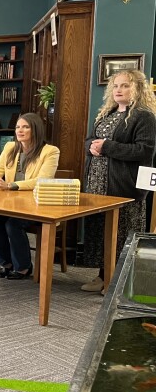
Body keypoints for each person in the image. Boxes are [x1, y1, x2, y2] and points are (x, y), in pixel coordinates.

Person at [79, 70, 156, 292]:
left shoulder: (143, 116)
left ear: (137, 89)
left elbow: (145, 150)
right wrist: (91, 147)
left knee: (121, 234)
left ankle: (118, 282)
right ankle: (103, 276)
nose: (119, 90)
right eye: (115, 86)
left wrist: (106, 147)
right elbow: (90, 140)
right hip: (96, 185)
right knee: (100, 231)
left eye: (125, 86)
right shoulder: (106, 114)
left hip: (123, 187)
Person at [0, 113, 59, 280]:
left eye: (25, 127)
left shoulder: (50, 151)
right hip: (11, 204)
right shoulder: (10, 147)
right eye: (18, 127)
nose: (20, 130)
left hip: (36, 205)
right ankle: (6, 263)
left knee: (12, 224)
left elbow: (42, 181)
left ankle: (23, 267)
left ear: (35, 129)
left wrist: (10, 185)